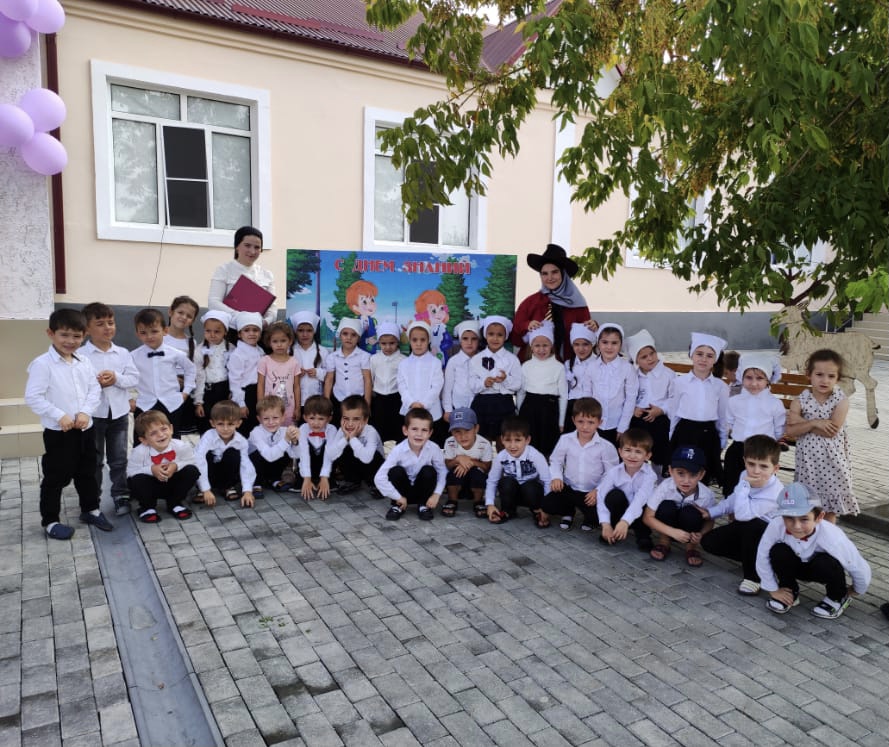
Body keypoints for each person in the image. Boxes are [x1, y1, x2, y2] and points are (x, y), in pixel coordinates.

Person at [24, 308, 112, 539]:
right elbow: (33, 397)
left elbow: (94, 390)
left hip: (85, 428)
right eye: (64, 335)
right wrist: (59, 415)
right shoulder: (42, 364)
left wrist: (85, 412)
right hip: (59, 432)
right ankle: (51, 521)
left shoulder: (84, 362)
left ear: (84, 336)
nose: (70, 341)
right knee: (56, 477)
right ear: (50, 333)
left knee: (87, 472)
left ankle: (90, 510)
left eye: (76, 336)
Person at [756, 482, 871, 619]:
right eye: (789, 518)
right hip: (796, 565)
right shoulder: (776, 525)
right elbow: (762, 555)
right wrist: (773, 589)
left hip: (821, 569)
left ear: (819, 517)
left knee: (826, 561)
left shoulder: (832, 536)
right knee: (778, 551)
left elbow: (856, 564)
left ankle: (837, 597)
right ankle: (788, 590)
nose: (796, 526)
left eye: (804, 519)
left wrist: (856, 589)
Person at [699, 434, 784, 595]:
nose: (756, 471)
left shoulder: (775, 492)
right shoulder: (745, 475)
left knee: (752, 524)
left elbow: (742, 514)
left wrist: (745, 485)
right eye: (751, 464)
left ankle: (753, 577)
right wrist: (711, 512)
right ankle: (758, 560)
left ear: (775, 468)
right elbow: (734, 499)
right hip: (747, 529)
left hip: (768, 535)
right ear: (744, 461)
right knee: (709, 542)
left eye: (763, 466)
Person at [784, 349, 858, 522]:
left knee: (830, 509)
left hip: (833, 462)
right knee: (809, 508)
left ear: (837, 378)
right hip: (808, 463)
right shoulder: (800, 401)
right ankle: (809, 536)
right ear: (809, 375)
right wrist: (814, 423)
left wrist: (802, 423)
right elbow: (790, 431)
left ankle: (827, 536)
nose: (825, 380)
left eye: (831, 376)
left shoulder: (841, 401)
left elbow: (831, 431)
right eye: (819, 374)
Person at [81, 302, 139, 516]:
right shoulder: (81, 355)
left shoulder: (122, 353)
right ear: (87, 329)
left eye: (111, 322)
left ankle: (121, 495)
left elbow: (134, 378)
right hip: (93, 415)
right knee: (94, 460)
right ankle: (92, 499)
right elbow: (78, 385)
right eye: (100, 324)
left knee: (119, 458)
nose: (107, 328)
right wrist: (97, 384)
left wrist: (116, 378)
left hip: (119, 414)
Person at [541, 397, 619, 531]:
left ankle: (589, 518)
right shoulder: (565, 439)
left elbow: (611, 473)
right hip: (569, 488)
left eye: (591, 422)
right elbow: (556, 460)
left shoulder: (606, 447)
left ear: (599, 422)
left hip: (591, 493)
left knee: (597, 517)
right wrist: (557, 477)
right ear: (573, 420)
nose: (585, 426)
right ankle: (568, 512)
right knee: (547, 504)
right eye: (580, 421)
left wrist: (598, 491)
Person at [511, 243, 596, 361]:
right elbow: (515, 340)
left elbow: (586, 340)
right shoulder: (530, 302)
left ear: (563, 274)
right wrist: (527, 325)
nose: (549, 278)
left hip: (566, 365)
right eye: (544, 273)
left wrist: (593, 327)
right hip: (532, 365)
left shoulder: (578, 304)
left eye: (554, 272)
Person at [669, 331, 729, 488]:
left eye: (709, 356)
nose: (703, 359)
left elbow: (722, 417)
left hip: (708, 436)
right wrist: (671, 437)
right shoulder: (679, 383)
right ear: (691, 355)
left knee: (703, 473)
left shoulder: (721, 387)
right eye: (699, 354)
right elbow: (674, 412)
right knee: (683, 470)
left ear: (715, 359)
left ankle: (700, 500)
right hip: (684, 433)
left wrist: (722, 440)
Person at [723, 352, 786, 496]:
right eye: (749, 378)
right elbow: (729, 422)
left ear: (768, 380)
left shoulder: (775, 404)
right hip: (738, 450)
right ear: (741, 377)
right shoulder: (734, 401)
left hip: (762, 454)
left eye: (759, 378)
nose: (754, 383)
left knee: (760, 491)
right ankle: (733, 510)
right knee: (732, 489)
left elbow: (779, 429)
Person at [643, 445, 716, 565]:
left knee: (691, 512)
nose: (686, 480)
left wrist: (701, 534)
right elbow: (647, 517)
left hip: (690, 531)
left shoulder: (707, 495)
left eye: (693, 475)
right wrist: (672, 532)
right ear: (671, 471)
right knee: (666, 506)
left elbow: (710, 521)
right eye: (680, 473)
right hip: (668, 528)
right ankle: (664, 542)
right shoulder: (665, 487)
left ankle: (691, 547)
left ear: (701, 475)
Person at [131, 307, 196, 442]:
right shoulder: (133, 356)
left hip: (171, 404)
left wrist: (186, 392)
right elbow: (123, 377)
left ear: (165, 331)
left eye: (154, 331)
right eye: (143, 332)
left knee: (172, 440)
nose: (149, 336)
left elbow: (191, 370)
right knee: (142, 440)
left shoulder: (175, 353)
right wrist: (128, 399)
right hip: (145, 404)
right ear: (137, 334)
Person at [375, 407, 448, 522]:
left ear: (430, 433)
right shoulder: (398, 450)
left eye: (424, 430)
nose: (419, 434)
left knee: (429, 471)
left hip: (423, 490)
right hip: (402, 492)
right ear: (405, 430)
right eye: (414, 429)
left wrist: (436, 494)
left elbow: (442, 471)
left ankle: (423, 505)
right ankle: (398, 505)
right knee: (395, 471)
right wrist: (397, 496)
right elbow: (379, 477)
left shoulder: (434, 448)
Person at [126, 410, 198, 522]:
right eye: (153, 433)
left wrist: (176, 466)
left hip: (173, 482)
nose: (160, 435)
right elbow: (129, 472)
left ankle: (175, 503)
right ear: (144, 440)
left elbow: (192, 460)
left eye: (164, 429)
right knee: (137, 479)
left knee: (191, 470)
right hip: (151, 486)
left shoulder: (181, 446)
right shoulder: (139, 452)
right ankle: (147, 507)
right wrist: (151, 469)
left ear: (171, 429)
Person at [596, 428, 658, 551]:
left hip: (640, 513)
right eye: (628, 450)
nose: (632, 456)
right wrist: (605, 524)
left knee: (648, 505)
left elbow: (639, 501)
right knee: (614, 496)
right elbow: (601, 497)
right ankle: (613, 528)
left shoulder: (650, 476)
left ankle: (643, 535)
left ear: (647, 456)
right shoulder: (613, 472)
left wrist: (625, 521)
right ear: (620, 452)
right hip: (620, 510)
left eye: (638, 452)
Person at [625, 329, 674, 476]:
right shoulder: (633, 375)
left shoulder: (668, 374)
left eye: (652, 353)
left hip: (659, 420)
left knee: (659, 454)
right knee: (637, 449)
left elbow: (674, 399)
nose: (650, 359)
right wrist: (633, 409)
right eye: (644, 357)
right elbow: (626, 396)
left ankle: (660, 478)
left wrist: (661, 409)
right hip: (638, 421)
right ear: (636, 361)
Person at [484, 417, 551, 524]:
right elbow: (492, 480)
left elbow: (547, 481)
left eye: (518, 440)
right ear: (502, 440)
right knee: (506, 482)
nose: (512, 446)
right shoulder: (501, 457)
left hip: (532, 494)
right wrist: (490, 505)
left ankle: (538, 512)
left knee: (530, 486)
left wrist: (547, 508)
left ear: (527, 440)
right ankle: (508, 511)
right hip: (513, 493)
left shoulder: (535, 455)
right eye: (508, 440)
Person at [208, 225, 277, 327]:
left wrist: (266, 321)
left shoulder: (267, 274)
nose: (252, 251)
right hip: (231, 329)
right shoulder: (224, 270)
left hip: (259, 330)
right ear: (237, 246)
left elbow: (272, 308)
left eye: (257, 247)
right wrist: (242, 317)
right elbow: (213, 303)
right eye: (247, 245)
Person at [516, 321, 567, 457]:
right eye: (537, 345)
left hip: (549, 410)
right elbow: (521, 393)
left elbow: (563, 396)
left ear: (551, 346)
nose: (541, 349)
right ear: (531, 347)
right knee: (529, 445)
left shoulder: (559, 367)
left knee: (548, 445)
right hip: (529, 409)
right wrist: (519, 415)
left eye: (545, 345)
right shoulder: (526, 366)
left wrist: (561, 421)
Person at [469, 316, 521, 444]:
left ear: (506, 337)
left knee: (504, 439)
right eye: (491, 334)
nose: (495, 338)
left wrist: (505, 379)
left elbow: (517, 384)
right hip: (482, 404)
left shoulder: (512, 359)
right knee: (482, 441)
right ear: (485, 335)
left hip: (504, 403)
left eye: (500, 335)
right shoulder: (476, 359)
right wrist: (483, 383)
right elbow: (472, 385)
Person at [194, 400, 255, 507]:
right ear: (212, 423)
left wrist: (247, 491)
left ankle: (227, 486)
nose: (225, 429)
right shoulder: (208, 437)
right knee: (205, 455)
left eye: (230, 424)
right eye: (220, 424)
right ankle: (202, 489)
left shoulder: (241, 441)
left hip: (226, 473)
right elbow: (199, 460)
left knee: (234, 454)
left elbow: (246, 465)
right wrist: (205, 489)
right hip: (209, 472)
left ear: (238, 423)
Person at [588, 322, 638, 446]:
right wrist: (589, 423)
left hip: (617, 425)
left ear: (620, 345)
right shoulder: (591, 367)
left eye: (614, 343)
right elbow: (587, 396)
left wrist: (623, 427)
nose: (609, 347)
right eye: (605, 342)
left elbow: (630, 399)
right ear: (598, 343)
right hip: (595, 425)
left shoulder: (627, 368)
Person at [398, 320, 446, 445]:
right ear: (409, 340)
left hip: (432, 412)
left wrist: (424, 404)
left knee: (432, 444)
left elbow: (437, 386)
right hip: (410, 410)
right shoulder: (403, 364)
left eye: (422, 340)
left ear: (428, 340)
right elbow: (402, 386)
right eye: (414, 340)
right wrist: (411, 403)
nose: (418, 344)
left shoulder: (435, 363)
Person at [327, 395, 385, 495]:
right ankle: (353, 480)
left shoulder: (371, 432)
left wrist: (352, 438)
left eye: (356, 419)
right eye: (346, 418)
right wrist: (345, 439)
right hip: (356, 464)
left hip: (373, 467)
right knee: (341, 448)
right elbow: (331, 455)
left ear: (365, 420)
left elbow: (367, 458)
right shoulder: (342, 430)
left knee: (373, 455)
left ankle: (375, 483)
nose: (350, 424)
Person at [442, 407, 493, 518]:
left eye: (467, 430)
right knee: (453, 472)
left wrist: (471, 462)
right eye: (457, 432)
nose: (463, 436)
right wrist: (458, 459)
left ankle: (478, 501)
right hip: (458, 482)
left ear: (476, 429)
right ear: (452, 432)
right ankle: (452, 500)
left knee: (478, 473)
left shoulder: (484, 444)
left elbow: (487, 468)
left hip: (476, 484)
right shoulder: (450, 442)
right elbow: (448, 464)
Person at [247, 395, 299, 496]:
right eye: (266, 418)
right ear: (259, 419)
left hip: (270, 464)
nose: (271, 422)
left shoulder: (285, 431)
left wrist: (295, 442)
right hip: (254, 467)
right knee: (256, 454)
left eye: (275, 418)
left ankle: (273, 479)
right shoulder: (255, 433)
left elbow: (294, 455)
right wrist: (286, 440)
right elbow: (269, 456)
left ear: (283, 417)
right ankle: (256, 482)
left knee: (284, 450)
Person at [323, 318, 372, 425]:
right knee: (339, 426)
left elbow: (367, 380)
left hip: (359, 399)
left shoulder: (364, 356)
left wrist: (367, 404)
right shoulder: (332, 357)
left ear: (359, 338)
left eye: (353, 335)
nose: (349, 338)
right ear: (340, 335)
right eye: (345, 334)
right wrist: (327, 403)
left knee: (357, 427)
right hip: (338, 398)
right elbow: (329, 379)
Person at [193, 310, 232, 434]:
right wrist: (199, 402)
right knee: (207, 426)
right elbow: (199, 377)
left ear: (225, 331)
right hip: (207, 393)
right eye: (208, 331)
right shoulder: (199, 350)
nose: (212, 335)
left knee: (226, 424)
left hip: (225, 392)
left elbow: (235, 374)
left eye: (217, 331)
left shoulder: (231, 349)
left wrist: (233, 393)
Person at [227, 311, 264, 437]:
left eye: (255, 330)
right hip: (246, 394)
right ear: (239, 334)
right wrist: (241, 404)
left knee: (259, 428)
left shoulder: (260, 350)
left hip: (259, 392)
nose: (251, 333)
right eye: (247, 330)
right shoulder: (237, 355)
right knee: (246, 429)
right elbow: (235, 382)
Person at [257, 321, 301, 426]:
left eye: (283, 341)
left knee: (288, 433)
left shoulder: (294, 362)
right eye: (275, 341)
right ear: (269, 342)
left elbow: (296, 387)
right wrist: (260, 407)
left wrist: (297, 408)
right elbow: (260, 384)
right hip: (268, 409)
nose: (279, 345)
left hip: (289, 409)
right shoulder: (264, 361)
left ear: (290, 341)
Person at [369, 321, 405, 443]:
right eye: (384, 343)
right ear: (379, 342)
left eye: (392, 343)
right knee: (379, 428)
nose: (388, 347)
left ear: (397, 342)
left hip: (397, 399)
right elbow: (370, 379)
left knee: (396, 427)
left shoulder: (403, 360)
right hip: (378, 400)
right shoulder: (374, 359)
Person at [297, 395, 337, 500]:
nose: (316, 423)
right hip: (308, 466)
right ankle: (304, 480)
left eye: (321, 419)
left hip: (325, 466)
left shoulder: (332, 430)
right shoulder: (302, 429)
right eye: (312, 418)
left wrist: (324, 477)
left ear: (329, 419)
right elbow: (304, 454)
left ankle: (327, 480)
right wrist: (306, 478)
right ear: (305, 417)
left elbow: (329, 455)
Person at [289, 311, 329, 410]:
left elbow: (329, 375)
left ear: (314, 331)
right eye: (301, 330)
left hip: (316, 401)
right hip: (294, 401)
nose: (305, 334)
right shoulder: (289, 351)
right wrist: (295, 373)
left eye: (309, 330)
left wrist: (318, 372)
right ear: (295, 331)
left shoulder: (323, 351)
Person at [442, 319, 480, 422]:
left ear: (478, 340)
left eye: (474, 339)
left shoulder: (482, 360)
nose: (469, 343)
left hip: (478, 408)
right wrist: (448, 409)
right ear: (460, 340)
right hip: (457, 407)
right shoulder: (453, 362)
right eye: (465, 338)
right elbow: (447, 388)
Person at [563, 323, 597, 432]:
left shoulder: (599, 363)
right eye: (576, 344)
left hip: (592, 408)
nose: (581, 349)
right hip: (572, 409)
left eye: (585, 344)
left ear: (592, 344)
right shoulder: (568, 364)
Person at [346, 279, 380, 353]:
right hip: (359, 353)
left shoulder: (374, 321)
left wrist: (376, 339)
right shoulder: (355, 321)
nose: (370, 304)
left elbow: (379, 334)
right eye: (364, 302)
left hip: (372, 353)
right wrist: (367, 340)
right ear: (355, 307)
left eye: (372, 300)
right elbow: (352, 337)